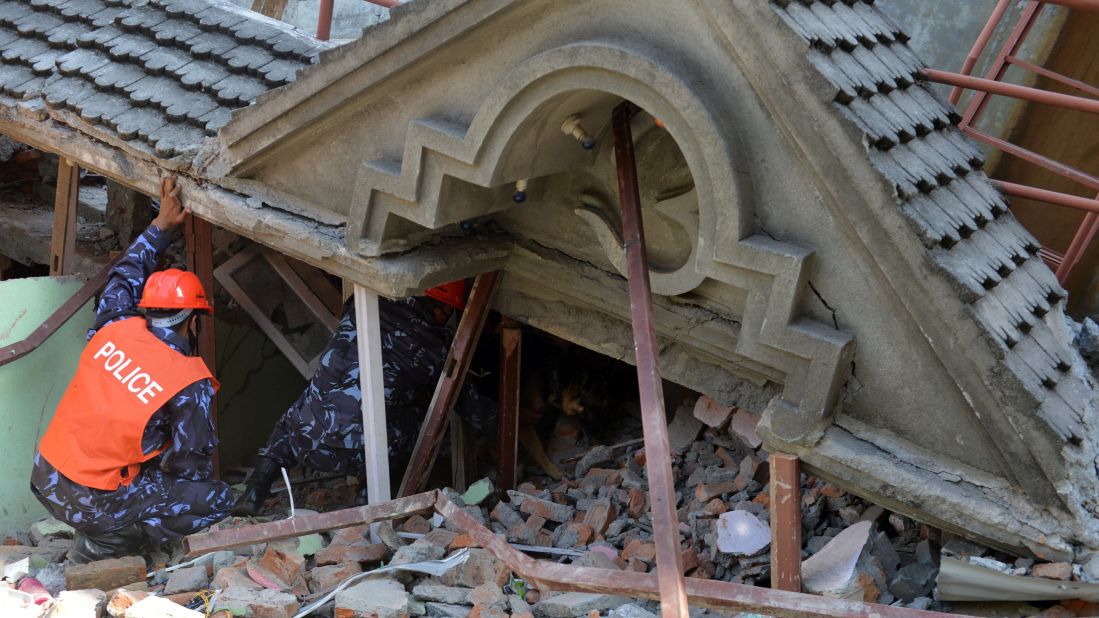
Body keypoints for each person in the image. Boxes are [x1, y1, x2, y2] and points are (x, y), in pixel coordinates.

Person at [30, 177, 233, 563]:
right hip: (93, 501)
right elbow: (191, 463)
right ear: (193, 321)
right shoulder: (189, 382)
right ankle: (109, 541)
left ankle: (105, 520)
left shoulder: (114, 326)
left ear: (148, 309)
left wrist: (161, 227)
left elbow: (123, 276)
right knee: (216, 498)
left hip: (46, 477)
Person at [233, 290, 496, 516]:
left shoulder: (360, 308)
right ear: (443, 307)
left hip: (304, 443)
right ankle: (371, 495)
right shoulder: (432, 348)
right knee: (424, 417)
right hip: (364, 456)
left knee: (301, 410)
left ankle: (255, 491)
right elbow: (469, 407)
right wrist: (506, 424)